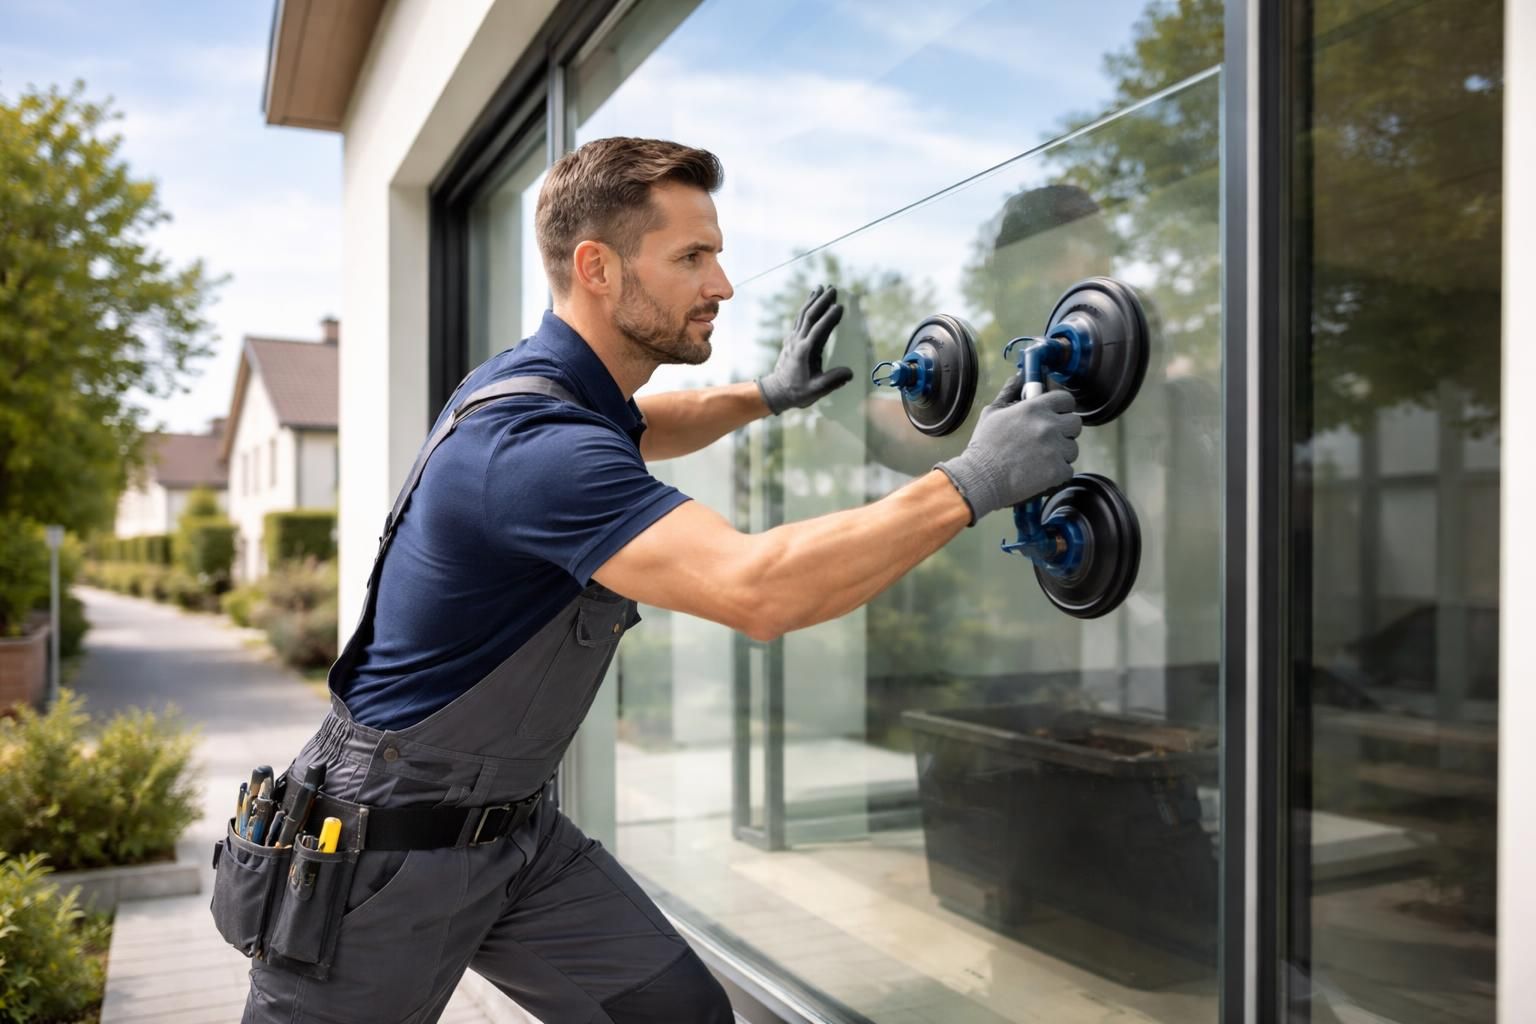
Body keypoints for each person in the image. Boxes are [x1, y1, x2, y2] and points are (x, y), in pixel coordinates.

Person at [231, 136, 1081, 1023]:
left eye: (716, 253)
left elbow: (646, 425)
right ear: (597, 268)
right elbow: (760, 588)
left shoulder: (550, 389)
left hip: (510, 830)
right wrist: (972, 481)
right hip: (381, 848)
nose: (721, 284)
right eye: (692, 258)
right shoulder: (532, 451)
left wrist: (767, 394)